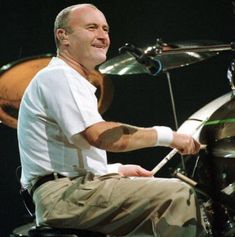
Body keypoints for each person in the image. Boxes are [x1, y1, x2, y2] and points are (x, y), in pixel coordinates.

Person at [17, 3, 206, 237]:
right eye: (92, 27)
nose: (103, 36)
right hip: (64, 197)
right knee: (177, 194)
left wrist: (118, 169)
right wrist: (169, 136)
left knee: (159, 211)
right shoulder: (59, 75)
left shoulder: (66, 78)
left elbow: (64, 160)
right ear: (63, 36)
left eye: (105, 29)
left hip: (72, 191)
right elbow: (101, 136)